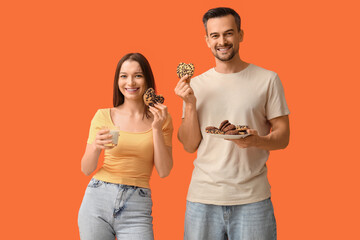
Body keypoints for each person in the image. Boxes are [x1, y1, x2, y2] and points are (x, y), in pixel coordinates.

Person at [175, 7, 290, 240]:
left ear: (240, 35)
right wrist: (188, 103)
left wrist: (257, 140)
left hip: (252, 199)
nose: (222, 41)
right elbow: (189, 146)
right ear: (207, 40)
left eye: (228, 33)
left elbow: (284, 137)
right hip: (203, 198)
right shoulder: (195, 85)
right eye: (215, 35)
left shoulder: (267, 79)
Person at [78, 53, 173, 240]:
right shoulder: (103, 115)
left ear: (147, 80)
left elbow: (164, 171)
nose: (130, 82)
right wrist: (96, 146)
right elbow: (86, 169)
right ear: (117, 80)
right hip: (98, 198)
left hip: (137, 204)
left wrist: (156, 128)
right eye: (124, 76)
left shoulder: (162, 118)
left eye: (138, 75)